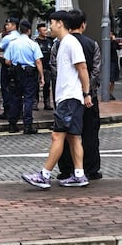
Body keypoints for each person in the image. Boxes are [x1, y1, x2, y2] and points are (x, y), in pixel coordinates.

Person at [22, 10, 93, 189]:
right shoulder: (64, 43)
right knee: (74, 137)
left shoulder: (70, 43)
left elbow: (82, 68)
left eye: (51, 23)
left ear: (60, 23)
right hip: (69, 97)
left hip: (70, 97)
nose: (49, 28)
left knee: (57, 135)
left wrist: (86, 93)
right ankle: (79, 175)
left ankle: (44, 175)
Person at [58, 9, 102, 180]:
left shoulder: (60, 44)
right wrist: (88, 91)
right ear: (83, 24)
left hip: (68, 96)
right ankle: (91, 169)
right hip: (89, 96)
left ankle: (67, 169)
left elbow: (56, 69)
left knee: (67, 133)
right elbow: (96, 70)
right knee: (90, 133)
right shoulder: (93, 44)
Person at [4, 20, 45, 134]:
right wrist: (42, 77)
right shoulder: (33, 44)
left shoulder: (13, 43)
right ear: (29, 31)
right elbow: (38, 61)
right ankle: (27, 126)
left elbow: (7, 61)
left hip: (16, 73)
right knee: (28, 99)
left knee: (15, 98)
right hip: (29, 74)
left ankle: (12, 125)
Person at [0, 17, 21, 120]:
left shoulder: (7, 38)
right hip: (19, 66)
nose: (6, 26)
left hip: (8, 65)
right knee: (17, 90)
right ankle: (18, 111)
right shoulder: (20, 37)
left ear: (14, 26)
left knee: (6, 89)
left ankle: (7, 112)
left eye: (8, 24)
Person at [34, 23, 54, 110]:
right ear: (39, 31)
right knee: (35, 86)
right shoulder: (36, 42)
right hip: (37, 67)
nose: (45, 32)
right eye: (43, 30)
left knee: (47, 85)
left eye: (46, 30)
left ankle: (47, 103)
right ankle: (35, 103)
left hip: (47, 67)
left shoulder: (50, 41)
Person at [108, 31, 120, 101]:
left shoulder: (113, 42)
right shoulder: (108, 43)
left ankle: (111, 93)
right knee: (110, 79)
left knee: (113, 80)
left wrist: (114, 41)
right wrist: (113, 41)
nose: (111, 35)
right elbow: (114, 48)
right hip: (111, 61)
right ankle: (108, 93)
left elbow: (118, 47)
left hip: (114, 61)